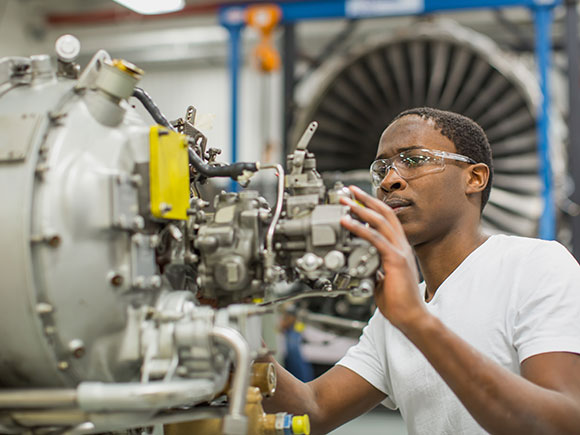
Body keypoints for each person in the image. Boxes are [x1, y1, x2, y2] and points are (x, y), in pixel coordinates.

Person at [262, 107, 580, 434]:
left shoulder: (536, 266)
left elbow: (562, 423)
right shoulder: (397, 313)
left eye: (414, 160)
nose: (389, 180)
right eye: (381, 168)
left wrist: (416, 321)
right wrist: (235, 344)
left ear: (474, 178)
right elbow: (313, 409)